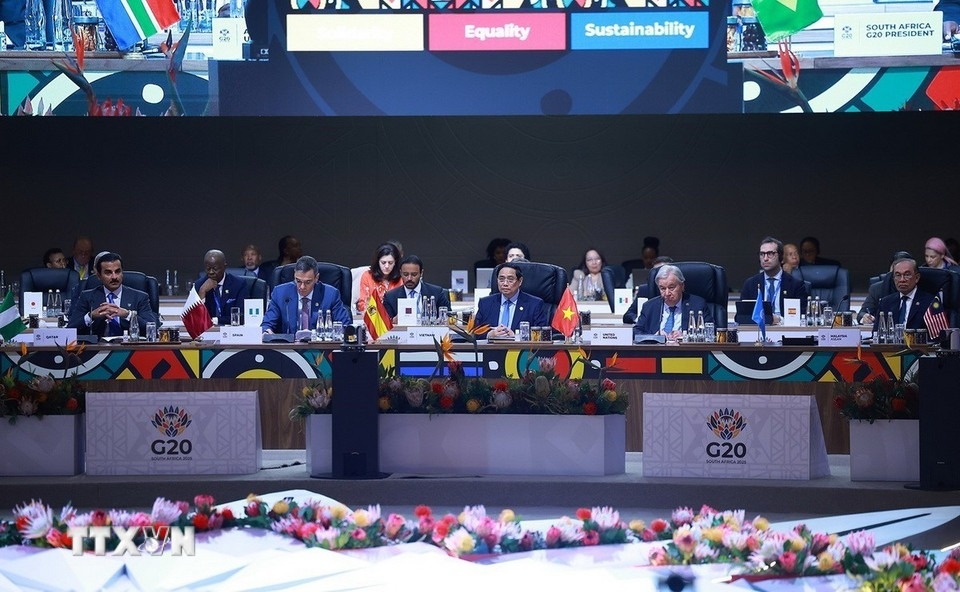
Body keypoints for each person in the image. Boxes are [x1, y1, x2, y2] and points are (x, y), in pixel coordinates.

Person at [67, 252, 157, 338]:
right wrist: (91, 316)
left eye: (117, 271)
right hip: (98, 346)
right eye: (108, 273)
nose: (114, 277)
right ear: (99, 276)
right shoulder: (87, 297)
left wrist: (128, 315)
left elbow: (152, 329)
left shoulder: (139, 297)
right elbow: (70, 329)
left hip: (128, 346)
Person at [262, 256, 352, 334]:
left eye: (308, 282)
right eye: (298, 281)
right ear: (294, 275)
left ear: (316, 278)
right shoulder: (280, 293)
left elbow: (345, 325)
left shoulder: (330, 294)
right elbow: (267, 324)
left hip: (319, 347)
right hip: (289, 347)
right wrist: (266, 331)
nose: (302, 287)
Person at [740, 236, 808, 323]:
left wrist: (780, 320)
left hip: (785, 329)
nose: (765, 258)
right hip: (758, 328)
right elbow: (742, 316)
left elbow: (801, 316)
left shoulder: (796, 285)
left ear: (781, 257)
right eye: (762, 254)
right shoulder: (750, 284)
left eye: (770, 253)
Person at [633, 265, 712, 340]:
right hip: (657, 348)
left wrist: (686, 336)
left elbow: (711, 331)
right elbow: (635, 332)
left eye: (671, 287)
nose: (667, 293)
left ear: (682, 286)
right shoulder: (649, 306)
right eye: (663, 288)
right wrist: (654, 337)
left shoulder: (698, 305)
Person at [474, 262, 548, 339]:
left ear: (520, 281)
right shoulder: (485, 303)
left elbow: (542, 334)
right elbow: (474, 332)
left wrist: (517, 336)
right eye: (501, 279)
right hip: (491, 346)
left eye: (510, 280)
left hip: (520, 346)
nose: (505, 283)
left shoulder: (534, 304)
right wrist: (489, 334)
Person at [382, 255, 451, 321]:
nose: (409, 278)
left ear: (421, 273)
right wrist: (393, 320)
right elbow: (384, 324)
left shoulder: (437, 292)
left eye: (414, 274)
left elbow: (449, 318)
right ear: (400, 273)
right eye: (405, 274)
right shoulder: (390, 297)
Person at [876, 257, 937, 330]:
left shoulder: (931, 302)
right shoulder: (885, 303)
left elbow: (937, 334)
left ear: (917, 278)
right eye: (898, 275)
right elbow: (876, 332)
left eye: (907, 275)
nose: (902, 280)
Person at [194, 249, 251, 325]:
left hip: (232, 329)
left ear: (224, 266)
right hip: (208, 331)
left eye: (215, 269)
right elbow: (195, 320)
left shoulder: (238, 284)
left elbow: (242, 315)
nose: (211, 272)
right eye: (208, 269)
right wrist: (202, 292)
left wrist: (214, 320)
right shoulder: (199, 285)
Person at [859, 251, 913, 325]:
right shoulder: (877, 289)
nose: (902, 279)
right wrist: (865, 317)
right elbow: (862, 313)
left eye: (906, 274)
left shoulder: (921, 290)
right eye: (897, 273)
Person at [622, 256, 673, 324]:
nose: (660, 276)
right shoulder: (645, 290)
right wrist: (640, 319)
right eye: (656, 272)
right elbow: (628, 315)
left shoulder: (680, 289)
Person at [356, 242, 402, 312]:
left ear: (395, 262)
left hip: (396, 316)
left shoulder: (401, 278)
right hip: (373, 315)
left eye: (390, 263)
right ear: (377, 262)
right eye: (383, 262)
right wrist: (377, 315)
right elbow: (363, 304)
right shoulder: (367, 276)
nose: (387, 266)